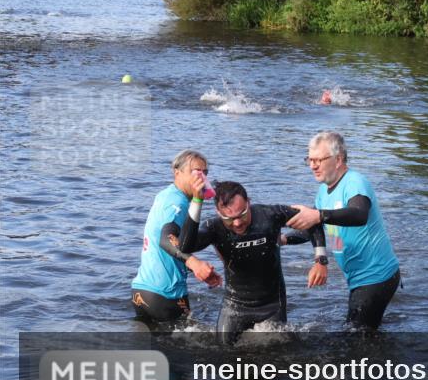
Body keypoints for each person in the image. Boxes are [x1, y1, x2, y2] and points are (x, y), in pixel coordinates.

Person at [178, 181, 327, 344]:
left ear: (249, 202)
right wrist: (197, 201)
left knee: (277, 357)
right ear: (218, 212)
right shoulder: (214, 227)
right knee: (222, 352)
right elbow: (185, 245)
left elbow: (313, 219)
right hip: (234, 304)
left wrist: (320, 260)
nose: (237, 223)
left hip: (271, 305)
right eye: (229, 218)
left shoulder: (269, 214)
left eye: (242, 214)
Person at [286, 132, 400, 330]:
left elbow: (359, 214)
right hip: (358, 277)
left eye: (318, 160)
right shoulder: (324, 191)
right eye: (310, 160)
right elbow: (314, 227)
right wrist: (282, 240)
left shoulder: (354, 182)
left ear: (338, 159)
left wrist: (319, 215)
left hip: (376, 276)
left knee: (355, 338)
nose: (312, 166)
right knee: (364, 332)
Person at [131, 150, 220, 327]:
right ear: (177, 172)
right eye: (196, 172)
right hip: (165, 296)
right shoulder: (177, 203)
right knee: (187, 352)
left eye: (205, 173)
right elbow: (166, 239)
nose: (201, 177)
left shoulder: (166, 195)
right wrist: (194, 263)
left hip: (141, 291)